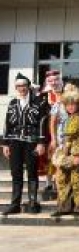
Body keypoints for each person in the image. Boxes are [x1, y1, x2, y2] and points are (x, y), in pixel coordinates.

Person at [3, 73, 49, 215]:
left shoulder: (39, 101)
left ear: (28, 86)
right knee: (16, 172)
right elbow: (7, 123)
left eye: (23, 85)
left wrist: (41, 142)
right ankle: (15, 203)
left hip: (32, 141)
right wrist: (5, 143)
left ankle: (33, 202)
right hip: (15, 141)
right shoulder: (12, 102)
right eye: (18, 86)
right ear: (16, 87)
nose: (21, 88)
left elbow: (43, 122)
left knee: (32, 171)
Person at [50, 84, 79, 216]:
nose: (70, 107)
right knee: (62, 179)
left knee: (76, 180)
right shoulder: (71, 117)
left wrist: (77, 154)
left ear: (78, 104)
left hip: (74, 152)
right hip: (65, 152)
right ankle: (64, 206)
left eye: (73, 104)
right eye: (68, 104)